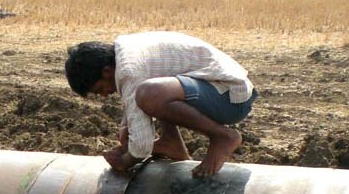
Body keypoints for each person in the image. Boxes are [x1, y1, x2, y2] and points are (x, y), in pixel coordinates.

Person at [64, 31, 258, 178]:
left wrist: (125, 161)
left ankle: (222, 136)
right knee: (152, 91)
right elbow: (134, 98)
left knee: (150, 94)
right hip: (219, 89)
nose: (104, 95)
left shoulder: (129, 70)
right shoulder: (124, 51)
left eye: (100, 89)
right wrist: (126, 126)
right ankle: (170, 142)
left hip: (230, 98)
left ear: (106, 72)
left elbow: (141, 147)